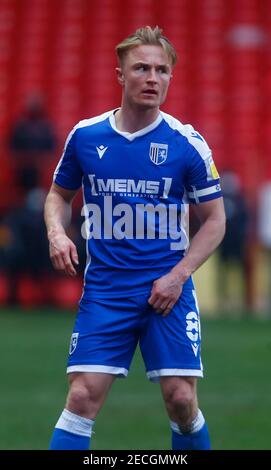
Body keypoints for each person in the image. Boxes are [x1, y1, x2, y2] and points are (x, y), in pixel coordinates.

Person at [44, 26, 225, 450]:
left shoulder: (187, 144)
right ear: (120, 75)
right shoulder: (86, 137)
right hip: (106, 290)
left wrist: (178, 276)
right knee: (81, 397)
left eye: (162, 70)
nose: (152, 77)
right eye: (141, 68)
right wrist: (56, 232)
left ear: (170, 78)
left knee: (181, 399)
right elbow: (58, 194)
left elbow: (215, 221)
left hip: (168, 291)